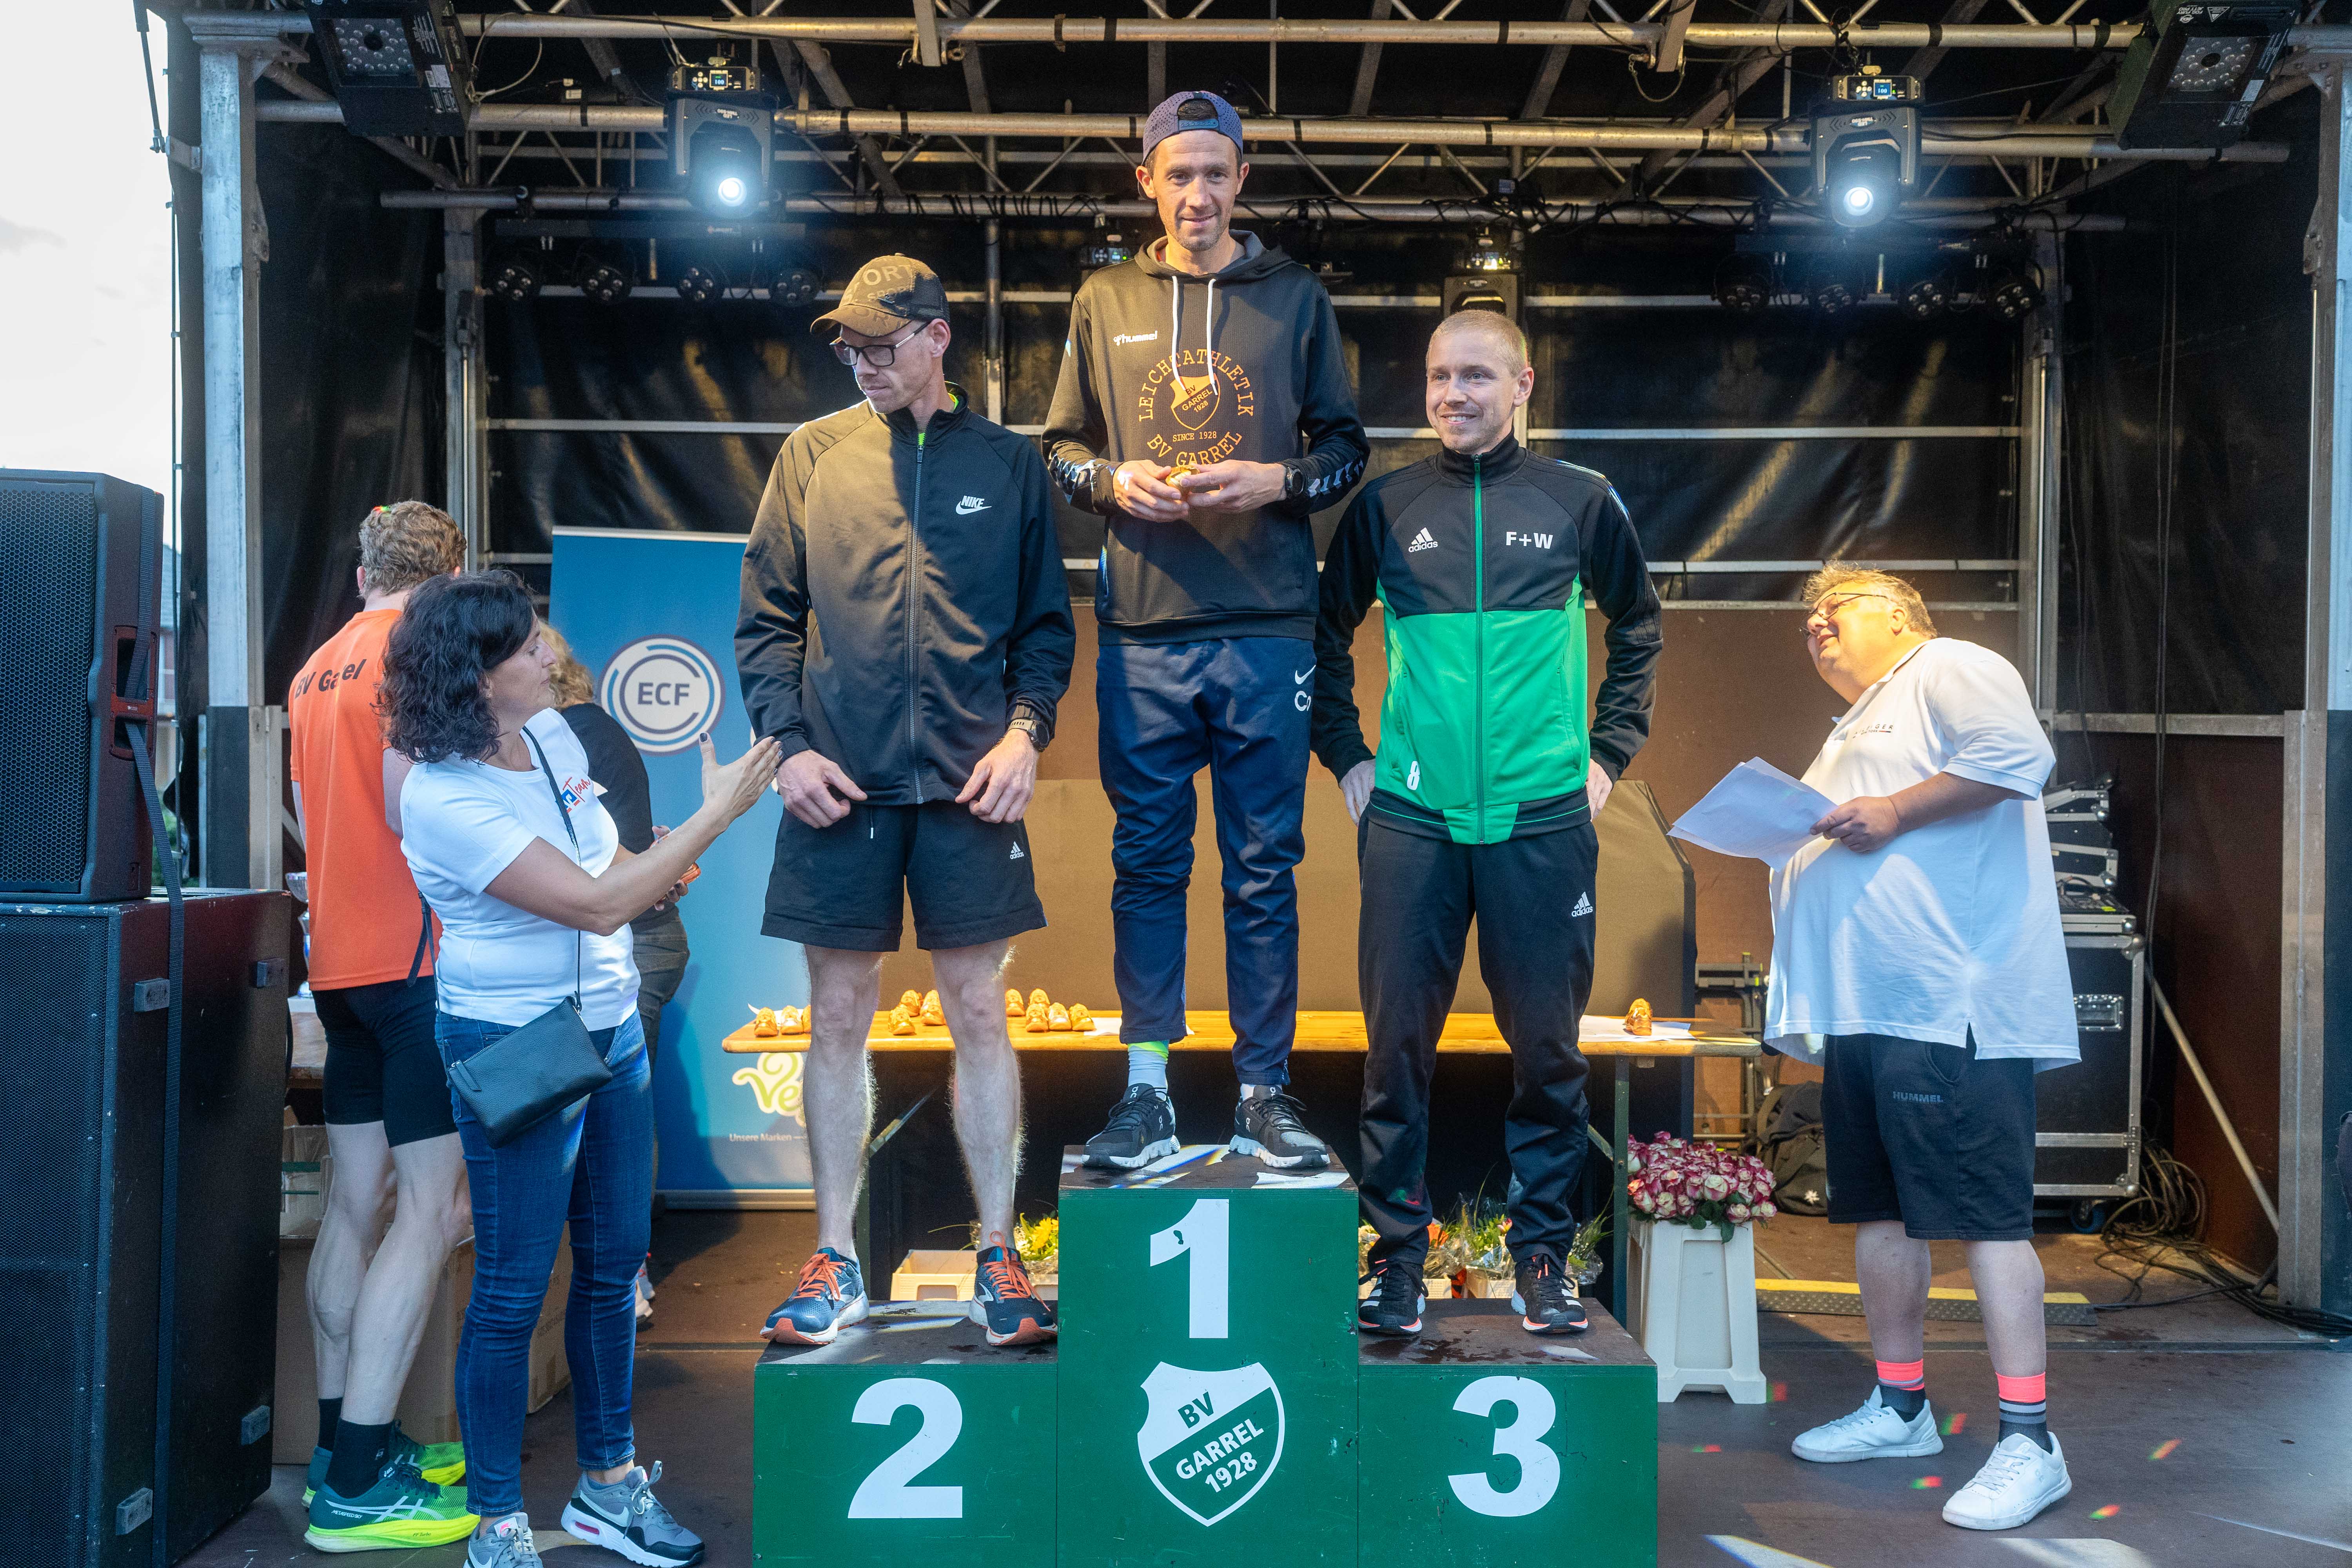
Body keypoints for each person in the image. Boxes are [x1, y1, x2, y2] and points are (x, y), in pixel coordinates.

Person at [386, 570, 779, 1568]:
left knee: (611, 1269)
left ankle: (609, 1482)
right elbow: (599, 903)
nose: (547, 653)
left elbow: (603, 875)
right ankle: (498, 1520)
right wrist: (718, 812)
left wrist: (657, 869)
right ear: (476, 676)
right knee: (514, 1286)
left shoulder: (559, 734)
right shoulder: (440, 792)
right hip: (513, 1041)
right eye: (525, 646)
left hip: (611, 1029)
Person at [737, 254, 1076, 1348]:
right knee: (837, 1015)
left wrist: (1026, 734)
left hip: (971, 789)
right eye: (849, 348)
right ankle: (834, 1254)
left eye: (881, 346)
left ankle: (998, 1253)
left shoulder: (1008, 464)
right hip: (837, 786)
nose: (862, 364)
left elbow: (1046, 629)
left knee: (980, 1012)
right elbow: (766, 622)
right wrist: (787, 749)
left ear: (938, 338)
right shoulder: (811, 456)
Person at [1311, 311, 1661, 1339]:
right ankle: (1396, 1261)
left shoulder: (1579, 499)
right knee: (1395, 1054)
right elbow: (1323, 635)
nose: (1452, 394)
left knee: (1548, 1053)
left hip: (1541, 821)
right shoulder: (1387, 506)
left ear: (1523, 385)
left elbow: (1640, 626)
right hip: (1413, 820)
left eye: (1474, 375)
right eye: (1437, 377)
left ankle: (1542, 1257)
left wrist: (1606, 756)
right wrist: (1349, 755)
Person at [1044, 90, 1369, 1171]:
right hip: (1143, 627)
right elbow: (1059, 449)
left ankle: (1263, 1094)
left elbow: (1347, 449)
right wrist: (1110, 481)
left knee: (1263, 869)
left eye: (1215, 174)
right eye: (1178, 174)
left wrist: (1280, 478)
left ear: (1243, 180)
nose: (1197, 194)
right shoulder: (1104, 298)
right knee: (1146, 862)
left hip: (1269, 626)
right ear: (1146, 181)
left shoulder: (1297, 297)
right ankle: (1147, 1092)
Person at [1769, 568, 2079, 1532]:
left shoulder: (1948, 664)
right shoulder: (1854, 722)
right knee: (1881, 1214)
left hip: (1951, 1005)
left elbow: (2020, 755)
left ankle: (2030, 1439)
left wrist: (1897, 811)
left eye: (1840, 605)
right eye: (1808, 618)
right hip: (1869, 1008)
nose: (1818, 623)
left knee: (1987, 1219)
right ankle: (1901, 1404)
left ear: (1900, 614)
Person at [288, 501, 475, 1553]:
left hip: (339, 970)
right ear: (449, 578)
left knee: (355, 1204)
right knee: (432, 1212)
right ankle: (358, 1480)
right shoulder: (425, 653)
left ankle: (337, 1449)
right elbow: (433, 808)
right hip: (418, 964)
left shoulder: (312, 669)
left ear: (363, 575)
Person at [544, 621, 688, 1329]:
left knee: (612, 1122)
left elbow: (596, 860)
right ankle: (609, 1273)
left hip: (630, 942)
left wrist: (662, 869)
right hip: (622, 938)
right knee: (608, 1117)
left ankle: (624, 1272)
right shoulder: (570, 734)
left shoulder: (572, 736)